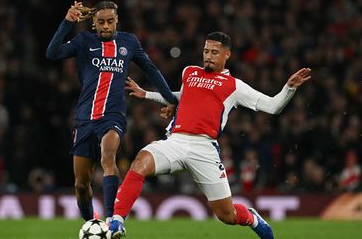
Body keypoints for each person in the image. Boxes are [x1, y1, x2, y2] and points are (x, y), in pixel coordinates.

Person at [109, 32, 311, 239]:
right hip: (175, 141)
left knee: (227, 215)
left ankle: (252, 218)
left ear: (227, 55)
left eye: (215, 52)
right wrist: (148, 94)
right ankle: (116, 222)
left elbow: (273, 106)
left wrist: (289, 88)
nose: (208, 56)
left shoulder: (235, 86)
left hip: (204, 149)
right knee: (140, 162)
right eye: (206, 51)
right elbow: (182, 96)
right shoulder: (190, 72)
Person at [46, 1, 178, 223]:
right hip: (85, 118)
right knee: (81, 184)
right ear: (94, 24)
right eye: (101, 22)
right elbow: (52, 53)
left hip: (113, 116)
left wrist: (172, 100)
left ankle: (111, 220)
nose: (106, 26)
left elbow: (151, 70)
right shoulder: (83, 41)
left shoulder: (129, 42)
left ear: (117, 20)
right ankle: (90, 224)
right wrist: (67, 22)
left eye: (110, 21)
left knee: (109, 157)